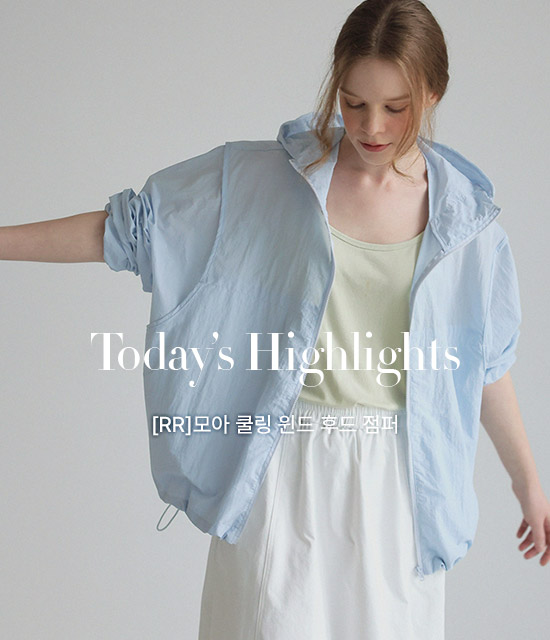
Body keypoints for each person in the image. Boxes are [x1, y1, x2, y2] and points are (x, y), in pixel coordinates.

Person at [1, 1, 549, 638]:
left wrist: (528, 485)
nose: (371, 126)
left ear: (433, 94)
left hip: (401, 487)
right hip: (285, 466)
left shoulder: (469, 227)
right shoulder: (264, 181)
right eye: (353, 102)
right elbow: (131, 230)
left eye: (395, 108)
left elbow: (485, 366)